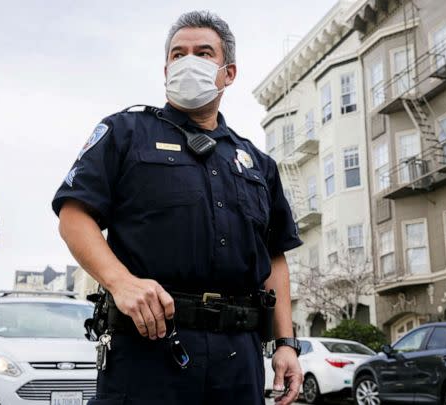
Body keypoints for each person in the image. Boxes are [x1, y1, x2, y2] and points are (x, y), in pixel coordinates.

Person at [52, 10, 303, 405]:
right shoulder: (125, 133)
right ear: (165, 69)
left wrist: (286, 343)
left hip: (239, 358)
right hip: (148, 348)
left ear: (229, 72)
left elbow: (275, 257)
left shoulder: (257, 163)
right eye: (177, 54)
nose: (188, 61)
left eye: (204, 53)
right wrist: (120, 282)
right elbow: (73, 216)